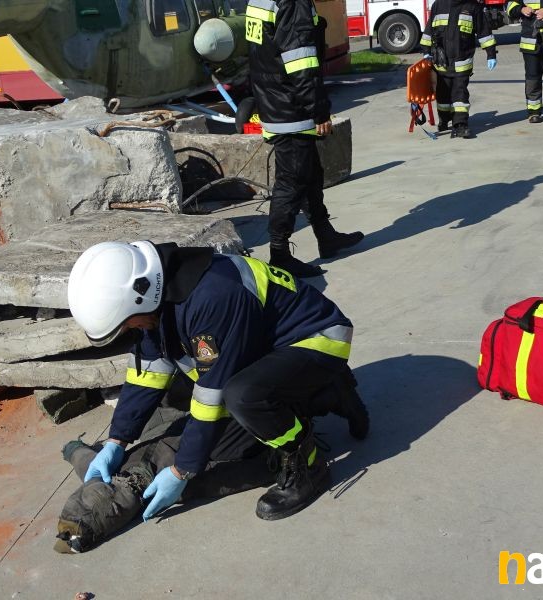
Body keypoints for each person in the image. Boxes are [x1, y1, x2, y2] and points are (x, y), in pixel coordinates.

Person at [67, 241, 369, 522]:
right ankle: (323, 391)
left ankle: (309, 464)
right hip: (268, 346)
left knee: (241, 397)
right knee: (204, 423)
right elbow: (147, 373)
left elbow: (213, 393)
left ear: (139, 297)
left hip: (317, 339)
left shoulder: (212, 297)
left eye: (124, 324)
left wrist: (181, 471)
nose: (126, 331)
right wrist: (116, 440)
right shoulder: (162, 295)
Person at [55, 402, 276, 553]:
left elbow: (82, 459)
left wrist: (80, 448)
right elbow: (235, 476)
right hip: (200, 429)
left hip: (175, 420)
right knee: (234, 441)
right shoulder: (179, 487)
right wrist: (273, 465)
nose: (121, 484)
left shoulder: (102, 473)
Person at [245, 0, 363, 278]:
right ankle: (280, 255)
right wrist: (318, 110)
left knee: (310, 175)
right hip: (291, 107)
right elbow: (301, 63)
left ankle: (326, 234)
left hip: (275, 98)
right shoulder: (293, 3)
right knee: (292, 182)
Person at [420, 0, 499, 138]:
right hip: (441, 63)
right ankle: (444, 119)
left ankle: (460, 124)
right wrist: (426, 51)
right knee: (442, 94)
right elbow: (429, 30)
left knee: (460, 93)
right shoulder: (438, 4)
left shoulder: (473, 6)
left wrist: (491, 54)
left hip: (462, 61)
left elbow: (484, 32)